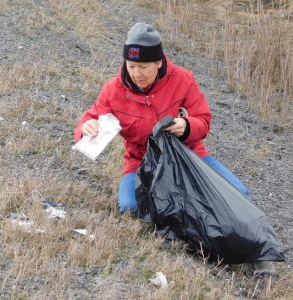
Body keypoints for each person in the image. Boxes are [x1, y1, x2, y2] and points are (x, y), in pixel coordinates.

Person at [74, 22, 275, 275]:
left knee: (238, 193)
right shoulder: (113, 90)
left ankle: (257, 253)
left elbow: (204, 120)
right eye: (132, 66)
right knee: (129, 207)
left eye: (144, 67)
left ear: (159, 62)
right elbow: (90, 117)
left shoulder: (183, 80)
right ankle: (186, 235)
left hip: (190, 157)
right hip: (141, 162)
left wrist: (186, 125)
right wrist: (87, 127)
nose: (137, 74)